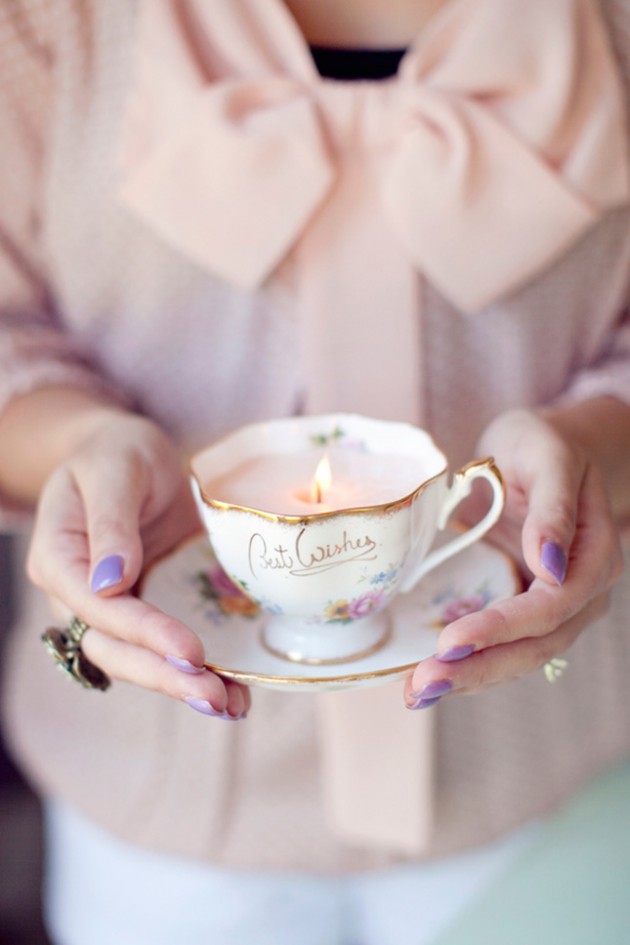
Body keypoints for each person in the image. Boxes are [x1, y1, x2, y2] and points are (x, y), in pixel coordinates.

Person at [1, 1, 629, 943]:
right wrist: (82, 445)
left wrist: (591, 447)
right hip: (156, 826)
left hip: (556, 781)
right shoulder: (48, 25)